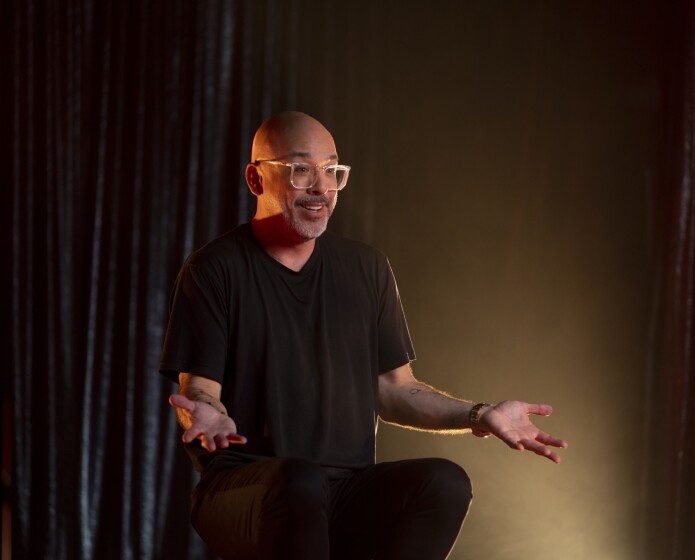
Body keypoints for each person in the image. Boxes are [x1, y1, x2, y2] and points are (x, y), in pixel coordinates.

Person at [159, 111, 568, 560]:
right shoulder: (214, 269)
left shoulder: (366, 268)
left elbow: (395, 391)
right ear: (256, 179)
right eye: (300, 170)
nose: (321, 187)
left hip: (343, 489)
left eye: (332, 170)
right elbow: (198, 388)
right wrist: (206, 415)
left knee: (443, 482)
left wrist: (480, 414)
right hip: (243, 488)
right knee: (300, 480)